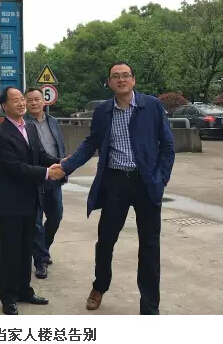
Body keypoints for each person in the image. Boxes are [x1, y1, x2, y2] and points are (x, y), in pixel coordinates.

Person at [58, 61, 175, 315]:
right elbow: (91, 144)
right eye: (115, 76)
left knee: (150, 247)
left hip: (146, 183)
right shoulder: (103, 111)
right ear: (109, 82)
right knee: (106, 241)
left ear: (133, 80)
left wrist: (161, 179)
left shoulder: (151, 106)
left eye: (125, 75)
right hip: (115, 183)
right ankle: (100, 285)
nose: (121, 80)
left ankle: (149, 307)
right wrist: (66, 167)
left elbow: (167, 146)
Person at [0, 86, 65, 315]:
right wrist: (47, 173)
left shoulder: (30, 127)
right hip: (10, 204)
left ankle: (24, 290)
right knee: (10, 253)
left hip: (31, 200)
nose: (22, 103)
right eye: (15, 100)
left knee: (25, 251)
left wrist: (61, 163)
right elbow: (15, 168)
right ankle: (8, 297)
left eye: (22, 99)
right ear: (4, 106)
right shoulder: (0, 134)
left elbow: (40, 155)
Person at [24, 87, 67, 279]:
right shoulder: (23, 124)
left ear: (44, 101)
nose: (34, 103)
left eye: (37, 99)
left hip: (54, 176)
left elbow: (60, 146)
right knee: (36, 222)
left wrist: (63, 169)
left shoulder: (53, 121)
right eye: (30, 100)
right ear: (25, 103)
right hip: (35, 177)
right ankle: (40, 261)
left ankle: (43, 249)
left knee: (56, 216)